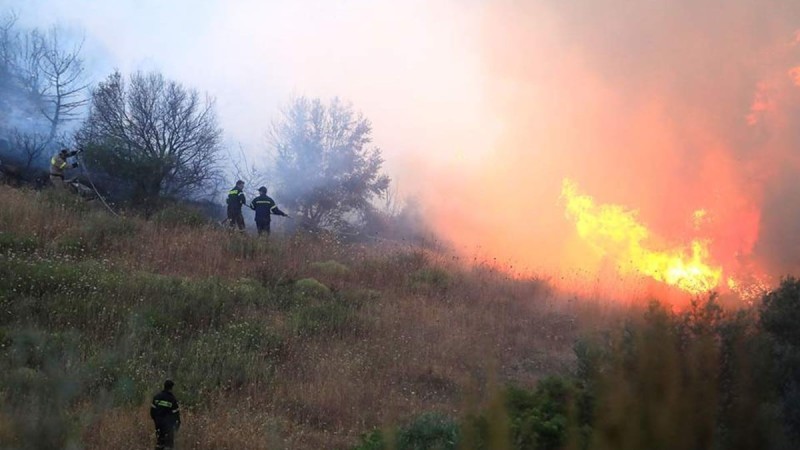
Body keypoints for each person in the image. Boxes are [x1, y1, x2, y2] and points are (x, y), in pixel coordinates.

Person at [150, 379, 181, 450]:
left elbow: (152, 411)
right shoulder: (172, 399)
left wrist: (156, 420)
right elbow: (176, 414)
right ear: (171, 388)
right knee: (169, 445)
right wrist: (177, 425)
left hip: (158, 424)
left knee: (159, 442)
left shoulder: (157, 397)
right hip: (168, 426)